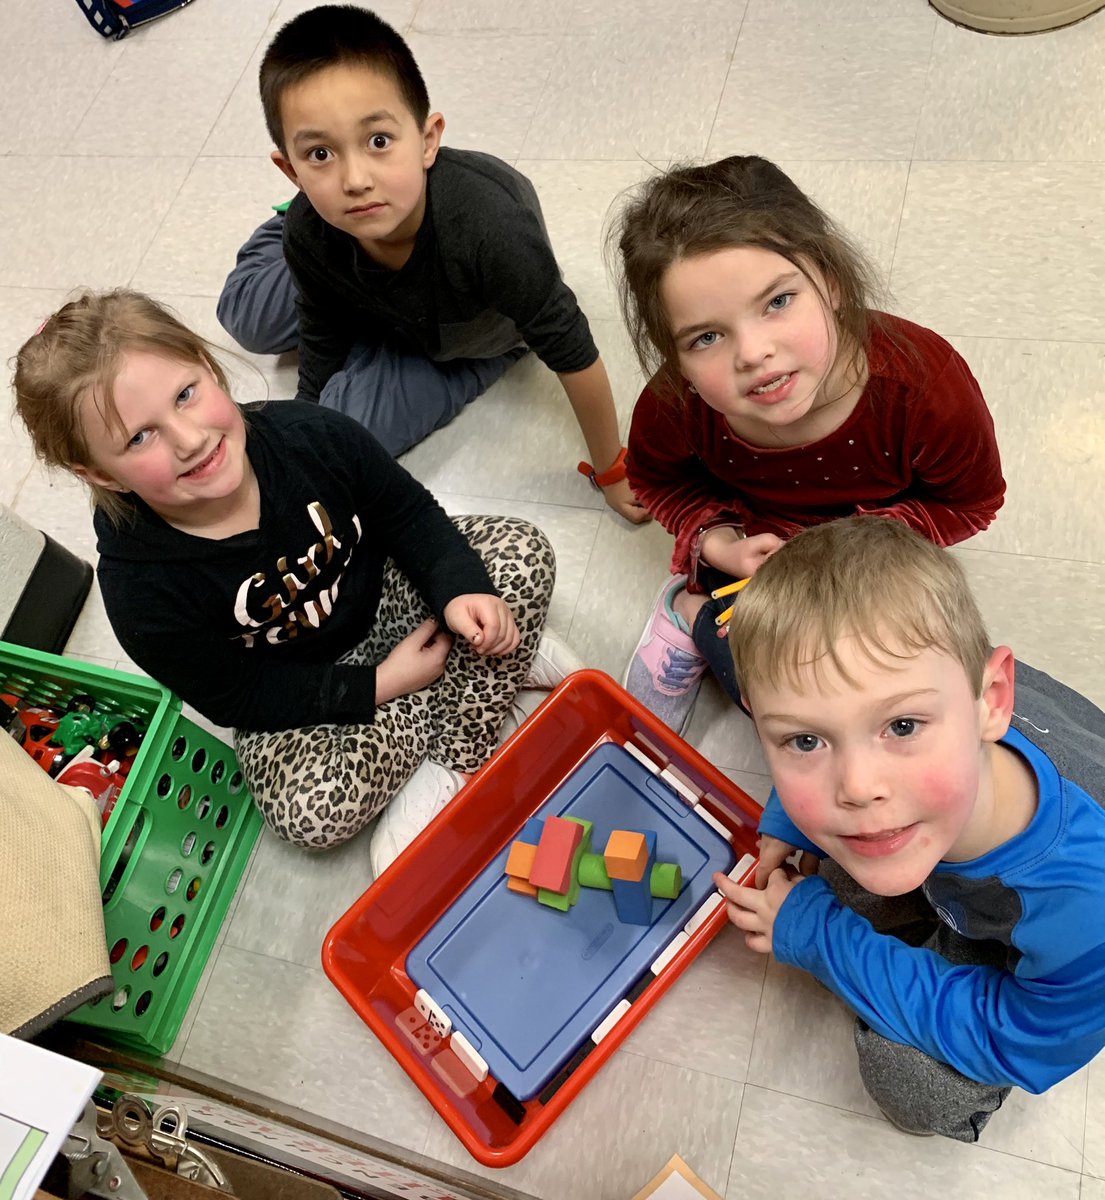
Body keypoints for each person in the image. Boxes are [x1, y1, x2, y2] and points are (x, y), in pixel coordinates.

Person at [13, 290, 564, 877]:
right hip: (297, 685)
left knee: (520, 556)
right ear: (101, 474)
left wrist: (460, 591)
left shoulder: (312, 435)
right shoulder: (139, 591)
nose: (190, 439)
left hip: (388, 598)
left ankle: (456, 753)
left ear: (208, 366)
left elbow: (408, 514)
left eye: (185, 394)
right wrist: (381, 683)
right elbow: (238, 696)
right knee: (309, 814)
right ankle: (485, 677)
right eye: (139, 437)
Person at [711, 515, 1105, 1141]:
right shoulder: (935, 685)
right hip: (985, 846)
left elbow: (1023, 1042)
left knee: (911, 1086)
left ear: (991, 701)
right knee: (839, 871)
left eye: (901, 727)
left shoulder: (1088, 907)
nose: (857, 786)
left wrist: (819, 936)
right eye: (805, 740)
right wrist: (789, 816)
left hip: (1045, 951)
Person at [612, 155, 1005, 732]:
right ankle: (690, 612)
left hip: (876, 555)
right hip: (756, 557)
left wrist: (858, 550)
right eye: (707, 337)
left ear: (831, 279)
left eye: (777, 302)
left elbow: (971, 502)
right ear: (675, 356)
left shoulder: (925, 388)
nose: (753, 353)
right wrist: (720, 545)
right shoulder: (676, 405)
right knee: (777, 700)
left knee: (913, 694)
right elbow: (659, 482)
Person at [217, 3, 646, 523]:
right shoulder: (312, 229)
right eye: (320, 155)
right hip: (347, 266)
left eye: (379, 142)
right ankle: (291, 221)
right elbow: (320, 326)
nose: (355, 180)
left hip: (462, 340)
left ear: (427, 139)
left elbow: (573, 350)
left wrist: (612, 470)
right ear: (290, 170)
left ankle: (394, 322)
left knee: (346, 439)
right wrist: (309, 410)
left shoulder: (491, 229)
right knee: (247, 317)